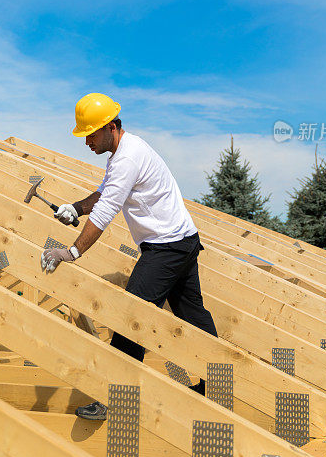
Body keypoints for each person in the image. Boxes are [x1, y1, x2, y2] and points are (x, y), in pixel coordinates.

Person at [40, 92, 218, 420]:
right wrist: (76, 208)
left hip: (167, 247)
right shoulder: (125, 152)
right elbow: (106, 193)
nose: (86, 142)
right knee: (193, 316)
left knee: (130, 314)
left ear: (112, 127)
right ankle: (219, 388)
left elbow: (108, 208)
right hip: (182, 240)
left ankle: (114, 400)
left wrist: (72, 251)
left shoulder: (127, 158)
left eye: (90, 134)